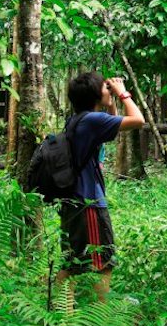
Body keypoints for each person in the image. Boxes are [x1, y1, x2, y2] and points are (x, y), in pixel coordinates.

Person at [56, 72, 144, 305]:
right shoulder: (91, 121)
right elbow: (138, 120)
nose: (109, 89)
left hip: (73, 202)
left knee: (74, 261)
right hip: (89, 204)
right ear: (96, 95)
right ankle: (101, 317)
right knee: (101, 262)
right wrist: (123, 92)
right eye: (105, 88)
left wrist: (111, 100)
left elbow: (111, 134)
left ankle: (59, 311)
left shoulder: (78, 120)